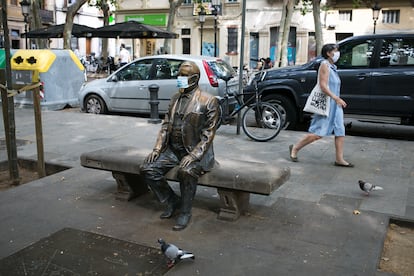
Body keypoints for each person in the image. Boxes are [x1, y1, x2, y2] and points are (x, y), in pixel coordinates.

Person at [140, 61, 220, 231]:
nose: (179, 78)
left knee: (186, 171)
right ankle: (172, 201)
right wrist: (157, 149)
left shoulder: (209, 101)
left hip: (195, 152)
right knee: (147, 168)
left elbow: (208, 134)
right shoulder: (175, 98)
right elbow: (165, 125)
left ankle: (185, 211)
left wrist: (193, 156)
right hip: (173, 150)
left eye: (184, 76)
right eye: (179, 75)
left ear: (195, 78)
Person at [289, 43, 353, 167]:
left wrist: (337, 100)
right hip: (327, 104)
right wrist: (336, 98)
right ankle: (295, 148)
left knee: (340, 131)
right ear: (329, 53)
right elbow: (323, 86)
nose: (337, 53)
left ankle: (339, 159)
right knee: (318, 133)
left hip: (335, 105)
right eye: (335, 51)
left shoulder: (333, 67)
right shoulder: (324, 65)